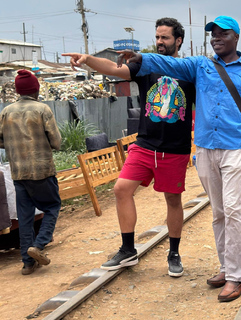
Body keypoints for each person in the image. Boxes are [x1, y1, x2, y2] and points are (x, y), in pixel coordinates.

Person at [114, 15, 241, 302]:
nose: (216, 38)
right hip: (205, 149)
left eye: (222, 33)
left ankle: (237, 276)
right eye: (212, 34)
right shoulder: (201, 65)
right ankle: (226, 267)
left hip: (237, 148)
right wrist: (140, 57)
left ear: (236, 37)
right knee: (218, 212)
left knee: (234, 211)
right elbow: (168, 63)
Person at [63, 17, 195, 278]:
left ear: (178, 41)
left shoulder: (189, 70)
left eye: (165, 37)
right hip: (145, 144)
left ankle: (174, 253)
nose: (159, 42)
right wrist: (88, 59)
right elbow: (114, 68)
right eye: (157, 37)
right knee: (121, 189)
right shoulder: (145, 65)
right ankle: (127, 249)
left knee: (173, 199)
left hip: (175, 149)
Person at [0, 70, 62, 275]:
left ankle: (27, 263)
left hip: (18, 172)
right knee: (52, 206)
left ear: (18, 90)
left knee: (25, 217)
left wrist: (12, 144)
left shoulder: (6, 112)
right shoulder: (42, 109)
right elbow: (56, 142)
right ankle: (39, 244)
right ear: (35, 90)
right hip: (42, 170)